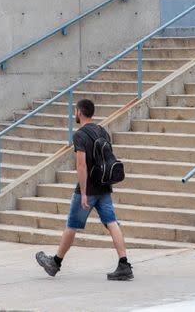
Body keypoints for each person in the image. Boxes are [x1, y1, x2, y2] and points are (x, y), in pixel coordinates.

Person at [35, 99, 133, 281]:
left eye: (75, 111)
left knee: (72, 225)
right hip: (104, 186)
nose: (75, 114)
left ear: (79, 112)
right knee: (112, 223)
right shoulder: (102, 130)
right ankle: (124, 264)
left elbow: (81, 165)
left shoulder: (80, 135)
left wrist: (84, 192)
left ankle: (55, 263)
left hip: (88, 188)